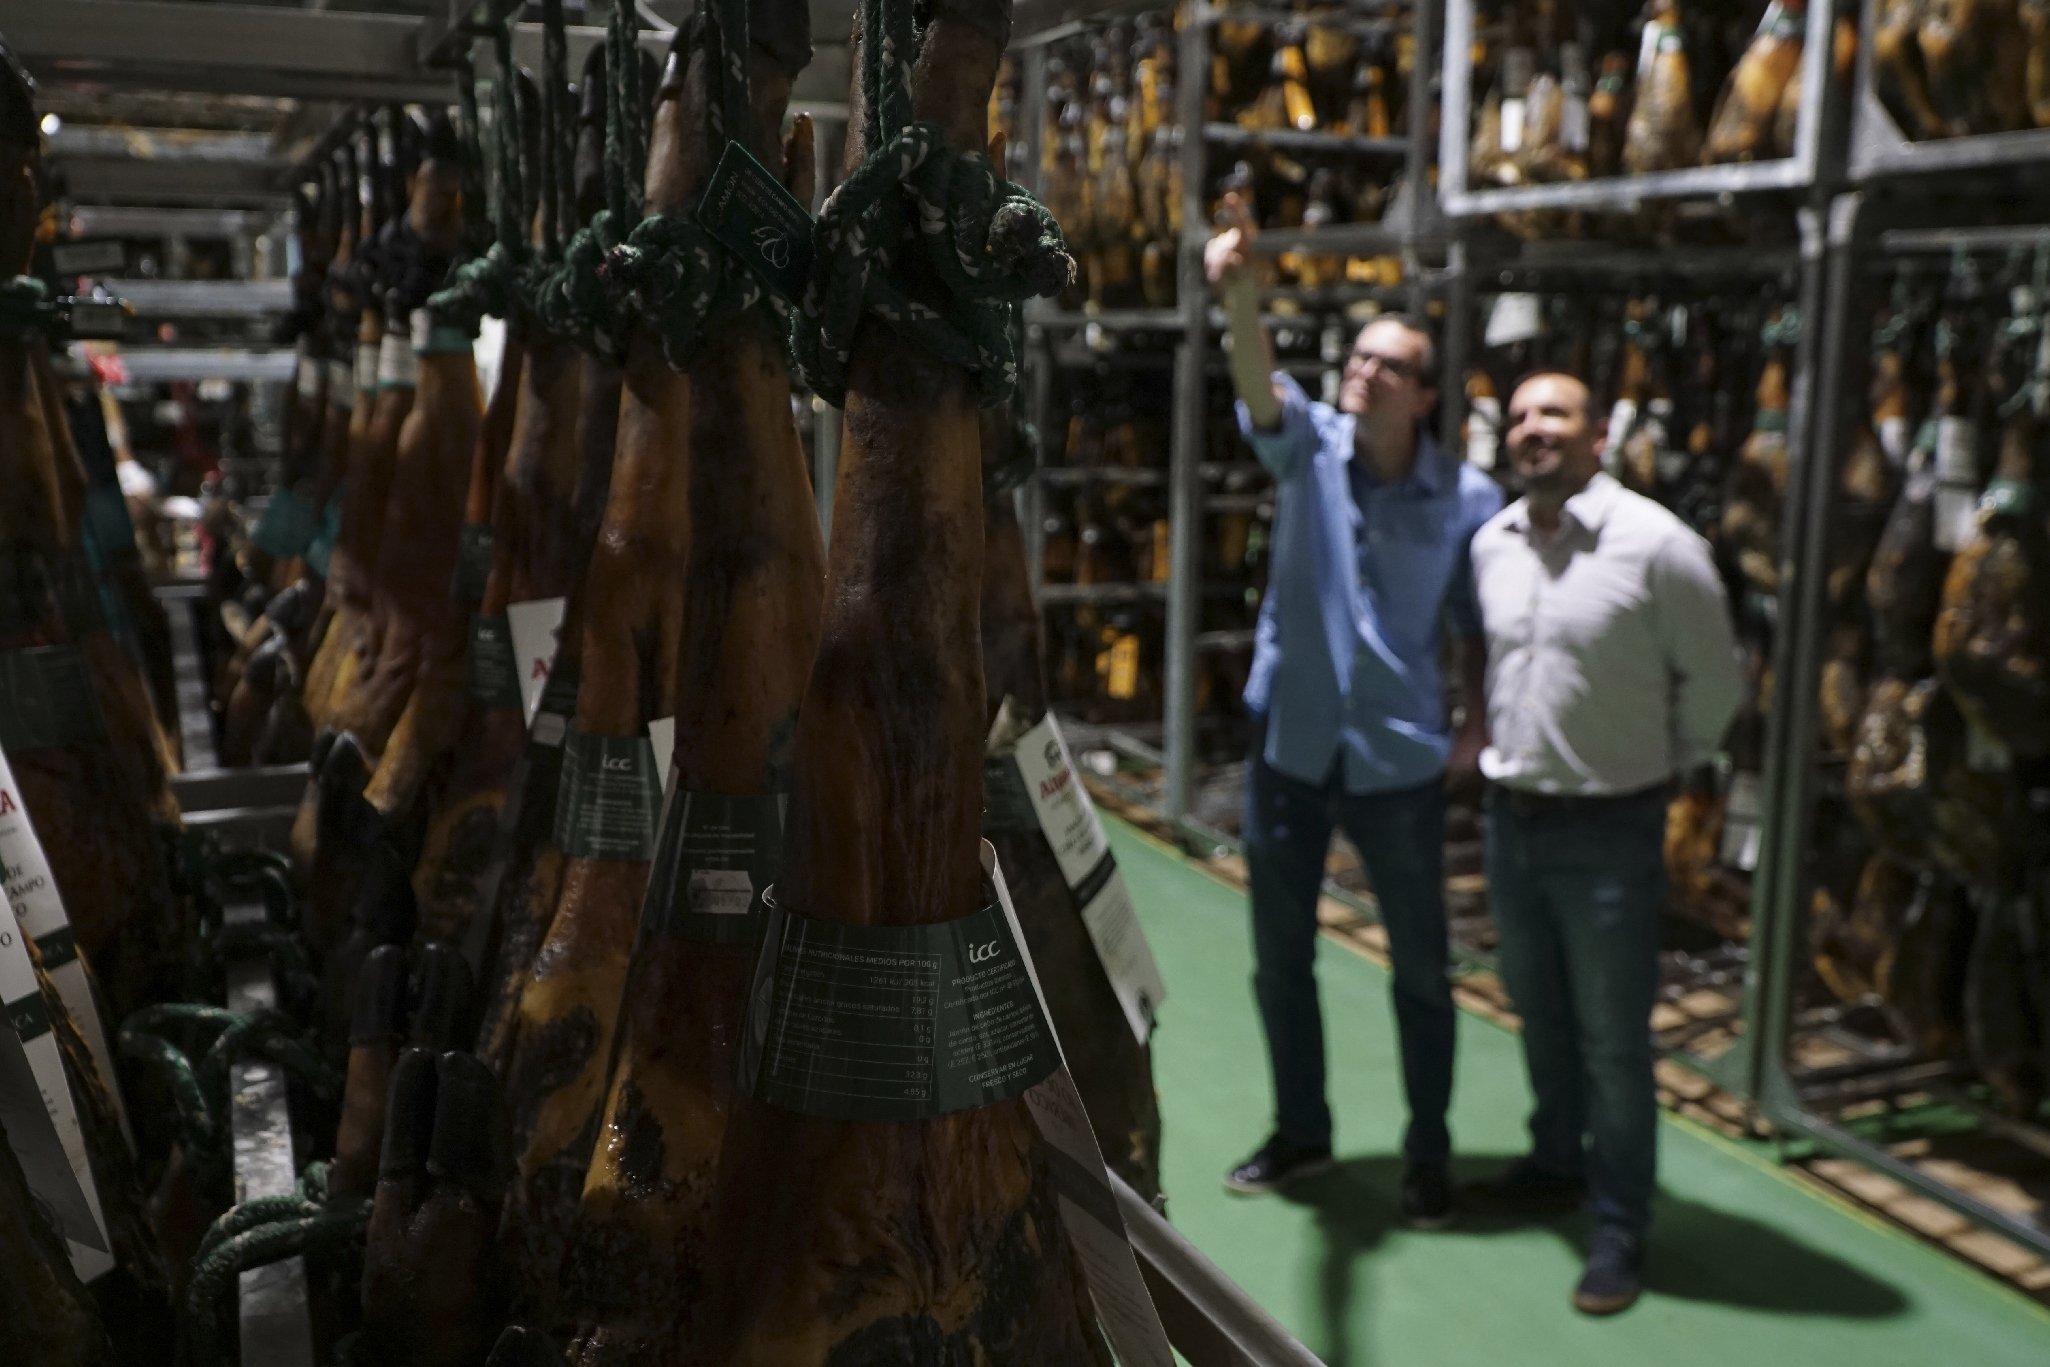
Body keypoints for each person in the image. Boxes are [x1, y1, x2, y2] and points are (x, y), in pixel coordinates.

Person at [1206, 194, 1502, 1226]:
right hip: (1291, 747)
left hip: (1397, 763)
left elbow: (1476, 624)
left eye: (1385, 365)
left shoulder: (1468, 497)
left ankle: (1427, 1151)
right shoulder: (1310, 448)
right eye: (1357, 358)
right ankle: (1303, 1129)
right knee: (1279, 955)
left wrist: (1474, 722)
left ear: (1423, 396)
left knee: (1421, 968)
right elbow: (1258, 384)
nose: (1360, 371)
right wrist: (1237, 294)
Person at [1466, 372, 1744, 1315]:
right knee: (1537, 1008)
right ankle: (1556, 1162)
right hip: (1514, 819)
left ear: (1597, 437)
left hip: (1610, 826)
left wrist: (1659, 765)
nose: (1532, 430)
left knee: (1614, 1039)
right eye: (1519, 417)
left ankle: (1622, 1219)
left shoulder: (1659, 547)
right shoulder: (1491, 544)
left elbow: (1716, 686)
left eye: (1555, 414)